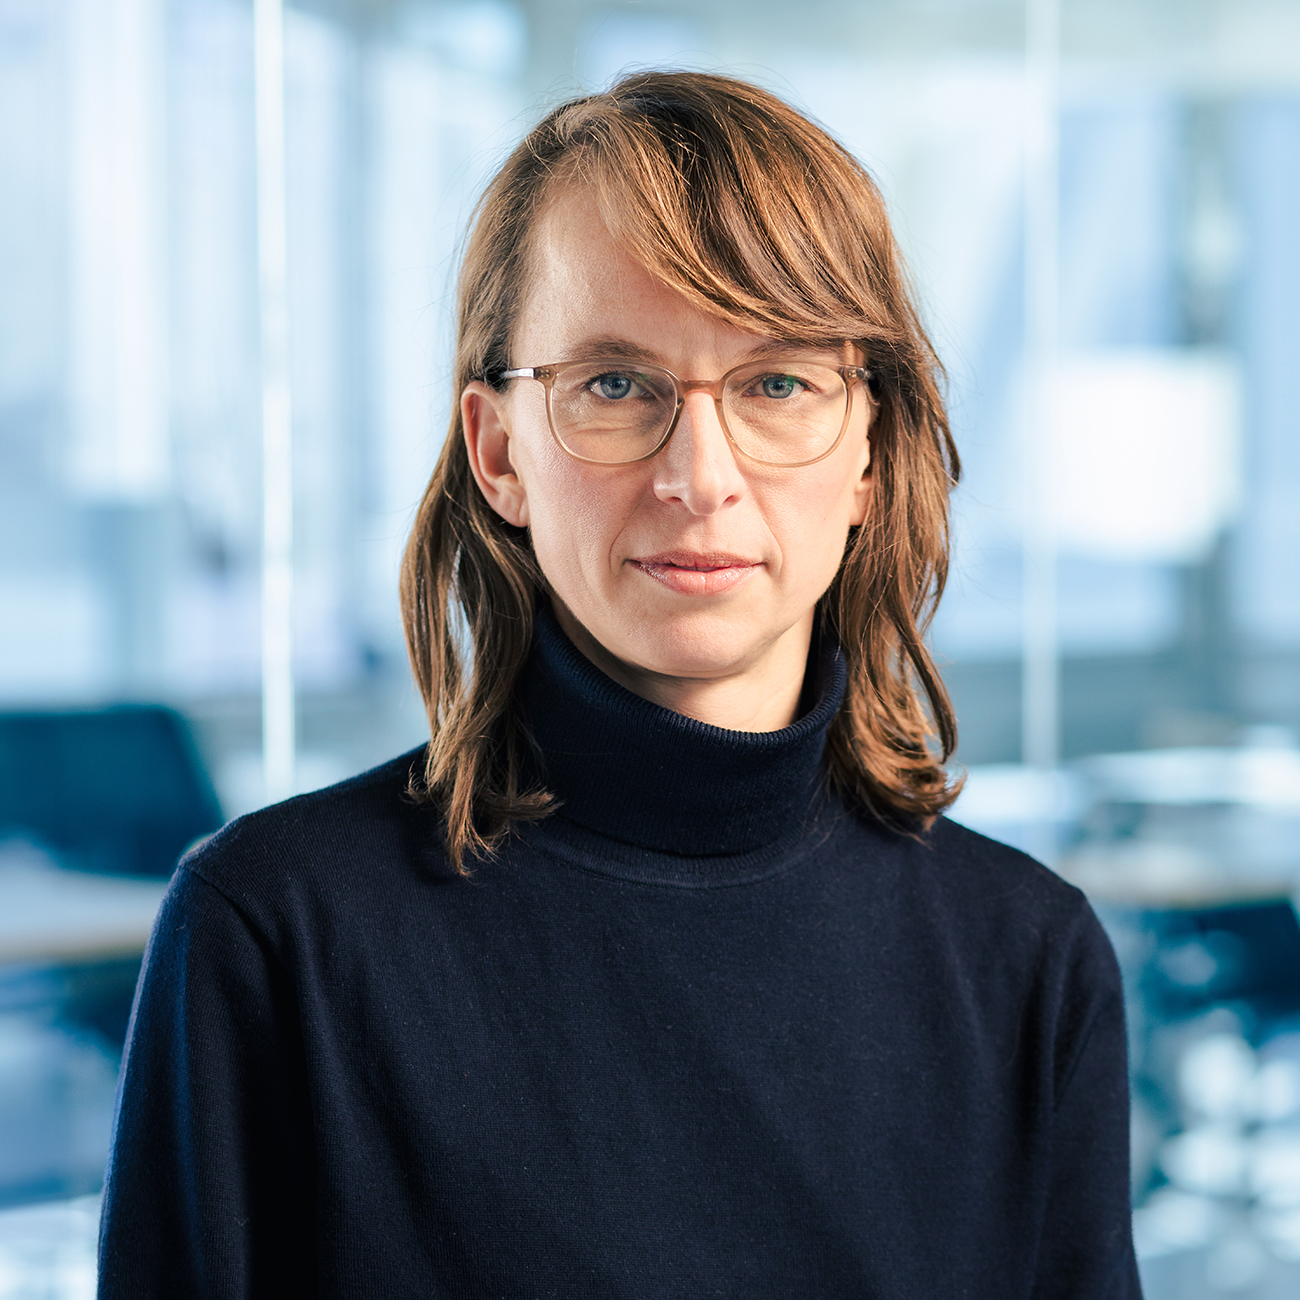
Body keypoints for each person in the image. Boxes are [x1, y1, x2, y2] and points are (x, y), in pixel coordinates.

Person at [99, 72, 1140, 1298]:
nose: (702, 476)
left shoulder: (1028, 961)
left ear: (869, 449)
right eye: (614, 385)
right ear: (499, 455)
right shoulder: (274, 933)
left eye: (777, 383)